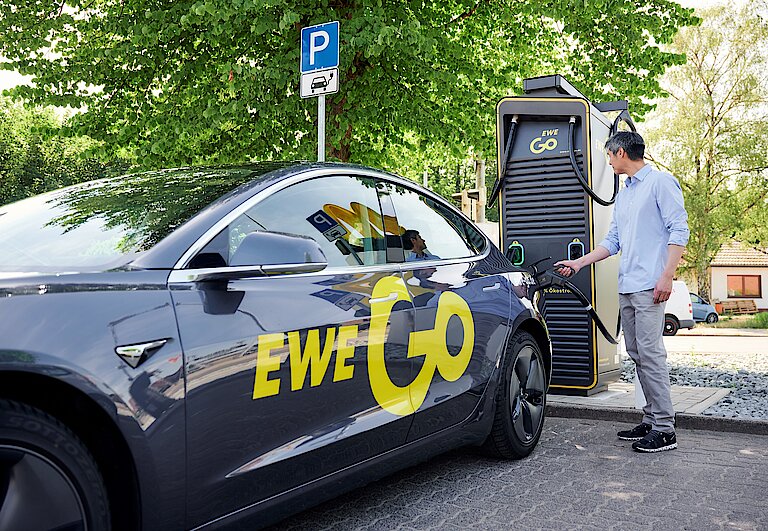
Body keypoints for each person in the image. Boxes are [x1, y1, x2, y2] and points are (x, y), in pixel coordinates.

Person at [554, 131, 689, 453]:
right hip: (627, 285)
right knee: (638, 355)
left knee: (651, 355)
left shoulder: (660, 183)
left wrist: (667, 277)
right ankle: (651, 418)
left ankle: (665, 428)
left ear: (620, 152)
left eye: (609, 156)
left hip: (650, 285)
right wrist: (579, 263)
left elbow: (679, 229)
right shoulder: (625, 194)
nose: (609, 161)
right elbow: (612, 241)